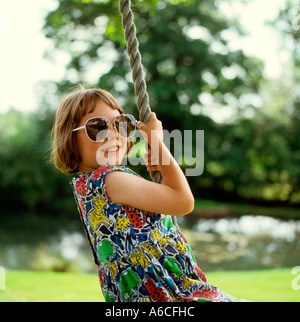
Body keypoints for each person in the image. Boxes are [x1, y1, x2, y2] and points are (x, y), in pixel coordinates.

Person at [51, 87, 243, 302]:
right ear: (70, 142)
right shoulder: (110, 179)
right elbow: (183, 202)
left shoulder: (86, 185)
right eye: (97, 127)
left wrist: (163, 167)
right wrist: (157, 142)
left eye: (120, 124)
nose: (113, 134)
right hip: (164, 292)